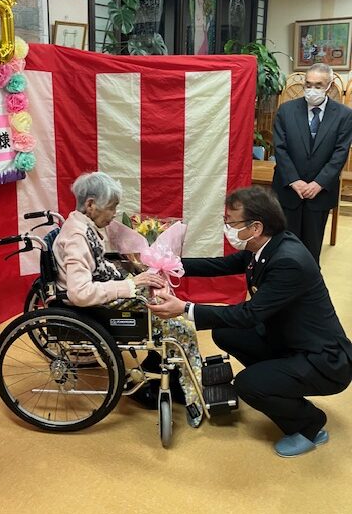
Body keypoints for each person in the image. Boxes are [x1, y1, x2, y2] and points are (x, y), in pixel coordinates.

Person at [148, 186, 352, 457]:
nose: (227, 228)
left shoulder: (288, 261)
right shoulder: (266, 245)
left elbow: (249, 315)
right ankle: (278, 383)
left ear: (256, 227)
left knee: (247, 385)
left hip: (324, 360)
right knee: (224, 332)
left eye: (231, 223)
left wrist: (184, 309)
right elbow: (220, 266)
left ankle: (310, 425)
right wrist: (167, 265)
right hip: (287, 338)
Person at [53, 171, 203, 423]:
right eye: (111, 207)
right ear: (90, 204)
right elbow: (80, 293)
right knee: (181, 327)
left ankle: (165, 371)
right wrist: (131, 284)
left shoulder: (82, 226)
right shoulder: (77, 238)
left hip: (104, 295)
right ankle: (191, 393)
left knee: (160, 295)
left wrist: (136, 275)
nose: (114, 214)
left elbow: (98, 269)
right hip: (93, 308)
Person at [272, 62, 352, 264]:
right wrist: (294, 180)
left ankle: (309, 283)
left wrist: (318, 183)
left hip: (320, 194)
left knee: (311, 249)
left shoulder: (344, 115)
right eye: (308, 84)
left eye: (318, 85)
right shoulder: (286, 110)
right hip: (289, 191)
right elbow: (279, 148)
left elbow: (340, 153)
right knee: (283, 248)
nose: (311, 89)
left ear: (329, 86)